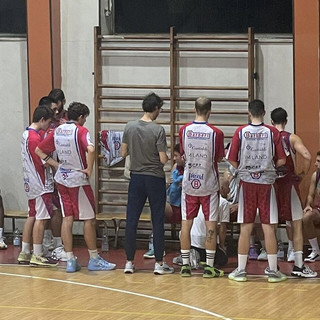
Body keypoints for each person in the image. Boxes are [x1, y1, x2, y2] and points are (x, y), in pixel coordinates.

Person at [35, 102, 116, 273]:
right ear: (80, 117)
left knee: (67, 218)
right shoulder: (81, 130)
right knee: (89, 219)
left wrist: (56, 164)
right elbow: (92, 149)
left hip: (62, 178)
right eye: (85, 118)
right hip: (78, 179)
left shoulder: (58, 130)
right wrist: (89, 169)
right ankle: (94, 258)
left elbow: (39, 150)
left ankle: (70, 259)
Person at [226, 99, 287, 283]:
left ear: (249, 112)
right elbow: (282, 161)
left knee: (246, 226)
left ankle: (241, 270)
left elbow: (231, 159)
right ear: (264, 112)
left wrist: (244, 169)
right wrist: (268, 167)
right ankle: (273, 271)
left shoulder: (240, 132)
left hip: (247, 184)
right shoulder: (272, 132)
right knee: (268, 226)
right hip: (267, 183)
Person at [121, 92, 174, 275]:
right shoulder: (157, 130)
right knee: (157, 220)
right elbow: (162, 159)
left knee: (132, 220)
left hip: (136, 178)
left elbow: (122, 153)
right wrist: (166, 156)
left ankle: (129, 262)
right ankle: (159, 263)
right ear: (155, 109)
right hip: (154, 178)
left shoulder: (129, 127)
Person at [179, 96, 225, 278]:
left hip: (189, 184)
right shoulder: (216, 133)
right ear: (210, 111)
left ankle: (184, 266)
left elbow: (183, 154)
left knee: (186, 224)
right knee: (210, 225)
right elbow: (219, 158)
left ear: (194, 109)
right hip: (209, 184)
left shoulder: (184, 130)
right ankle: (209, 267)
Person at [270, 107, 316, 277]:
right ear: (286, 120)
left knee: (270, 225)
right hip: (288, 183)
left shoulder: (268, 136)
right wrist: (302, 174)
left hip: (272, 184)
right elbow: (307, 155)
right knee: (296, 224)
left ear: (272, 121)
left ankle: (273, 266)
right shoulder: (291, 137)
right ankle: (298, 265)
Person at [18, 106, 58, 266]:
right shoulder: (35, 139)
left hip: (30, 182)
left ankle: (25, 252)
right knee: (41, 219)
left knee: (32, 216)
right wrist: (55, 164)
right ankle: (38, 254)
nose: (48, 126)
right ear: (42, 120)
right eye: (48, 122)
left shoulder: (25, 134)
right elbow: (42, 162)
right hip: (40, 183)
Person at [143, 143, 184, 259]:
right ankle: (156, 245)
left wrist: (185, 185)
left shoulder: (191, 169)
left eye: (176, 155)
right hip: (173, 205)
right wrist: (167, 184)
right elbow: (168, 187)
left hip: (186, 207)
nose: (174, 158)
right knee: (157, 205)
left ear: (183, 156)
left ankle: (187, 249)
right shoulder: (176, 167)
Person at [38, 96, 66, 261]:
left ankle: (48, 243)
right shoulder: (43, 132)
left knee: (49, 210)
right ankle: (56, 245)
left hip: (48, 177)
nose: (57, 112)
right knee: (54, 210)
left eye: (58, 109)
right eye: (53, 110)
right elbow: (40, 154)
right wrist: (55, 165)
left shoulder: (50, 128)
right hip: (46, 177)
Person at [303, 151, 320, 262]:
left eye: (318, 161)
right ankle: (316, 251)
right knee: (307, 216)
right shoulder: (316, 175)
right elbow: (310, 195)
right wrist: (308, 205)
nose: (315, 164)